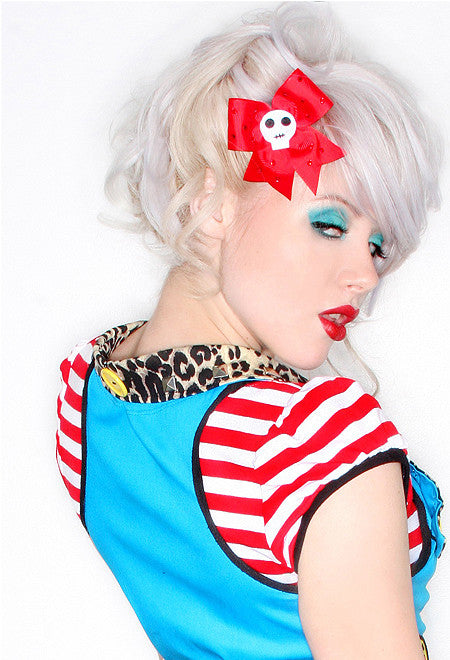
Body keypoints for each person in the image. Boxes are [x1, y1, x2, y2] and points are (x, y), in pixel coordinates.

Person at [56, 3, 445, 658]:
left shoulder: (83, 398)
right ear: (210, 203)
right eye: (330, 225)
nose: (364, 276)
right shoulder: (314, 445)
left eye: (377, 246)